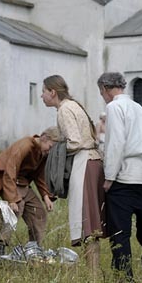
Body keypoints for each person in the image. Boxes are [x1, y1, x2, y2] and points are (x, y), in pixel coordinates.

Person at [98, 72, 142, 281]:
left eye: (102, 92)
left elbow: (116, 143)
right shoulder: (139, 108)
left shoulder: (114, 107)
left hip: (124, 177)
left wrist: (109, 176)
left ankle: (124, 278)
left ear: (105, 89)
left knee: (120, 233)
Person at [41, 74, 106, 271]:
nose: (41, 96)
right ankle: (92, 274)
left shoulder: (64, 109)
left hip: (84, 164)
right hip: (93, 161)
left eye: (43, 91)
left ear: (53, 92)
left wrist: (56, 152)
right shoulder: (74, 105)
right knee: (91, 222)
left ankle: (93, 276)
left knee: (86, 222)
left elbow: (75, 142)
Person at [0, 127, 59, 257]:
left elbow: (39, 175)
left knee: (39, 212)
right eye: (50, 146)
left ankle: (34, 249)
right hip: (6, 180)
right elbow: (10, 171)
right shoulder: (25, 146)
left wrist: (45, 196)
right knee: (16, 208)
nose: (50, 150)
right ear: (44, 138)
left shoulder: (42, 152)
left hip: (22, 183)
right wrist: (12, 199)